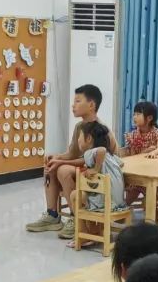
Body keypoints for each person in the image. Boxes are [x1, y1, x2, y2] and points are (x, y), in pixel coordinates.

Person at [26, 84, 117, 237]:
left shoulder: (100, 129)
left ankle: (77, 218)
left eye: (78, 101)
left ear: (91, 105)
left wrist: (62, 163)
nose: (73, 105)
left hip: (100, 172)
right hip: (85, 168)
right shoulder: (79, 126)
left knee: (63, 170)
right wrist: (57, 157)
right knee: (51, 165)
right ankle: (52, 215)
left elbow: (94, 159)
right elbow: (72, 153)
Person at [63, 121, 125, 247]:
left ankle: (84, 234)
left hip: (107, 203)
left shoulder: (89, 153)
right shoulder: (111, 155)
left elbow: (101, 150)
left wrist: (96, 169)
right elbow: (121, 163)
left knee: (75, 195)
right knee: (91, 195)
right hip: (118, 202)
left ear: (89, 139)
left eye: (80, 137)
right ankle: (95, 231)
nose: (78, 140)